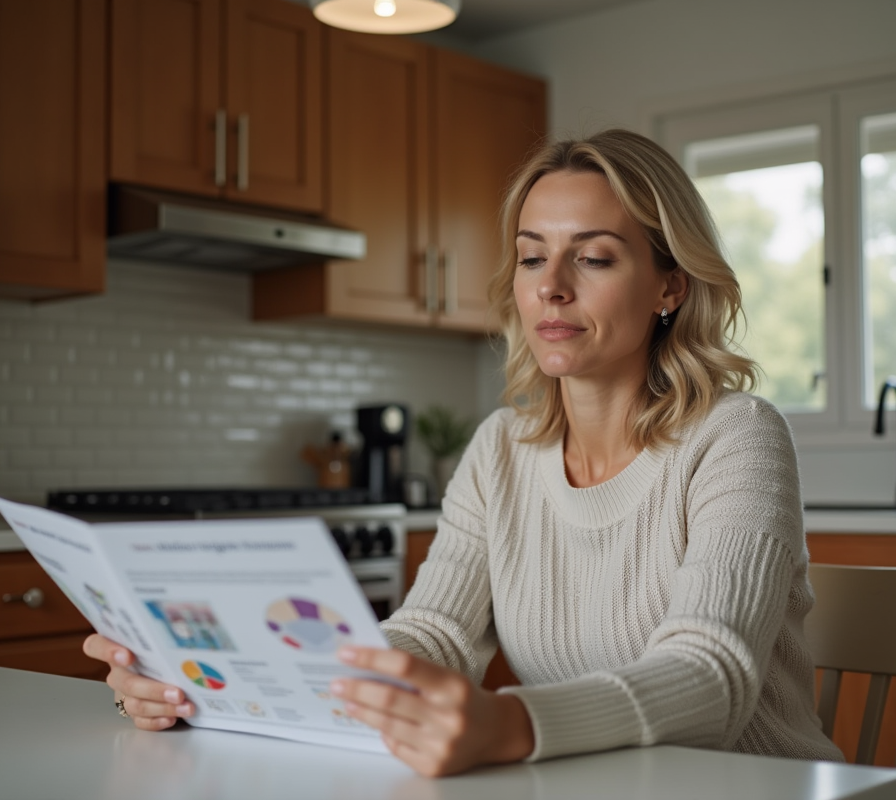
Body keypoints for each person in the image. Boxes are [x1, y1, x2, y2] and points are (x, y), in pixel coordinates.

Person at [84, 128, 843, 777]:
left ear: (669, 287)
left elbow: (711, 676)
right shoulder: (500, 448)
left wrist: (511, 724)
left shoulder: (735, 435)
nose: (551, 287)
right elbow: (434, 634)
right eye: (531, 257)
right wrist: (216, 682)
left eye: (594, 258)